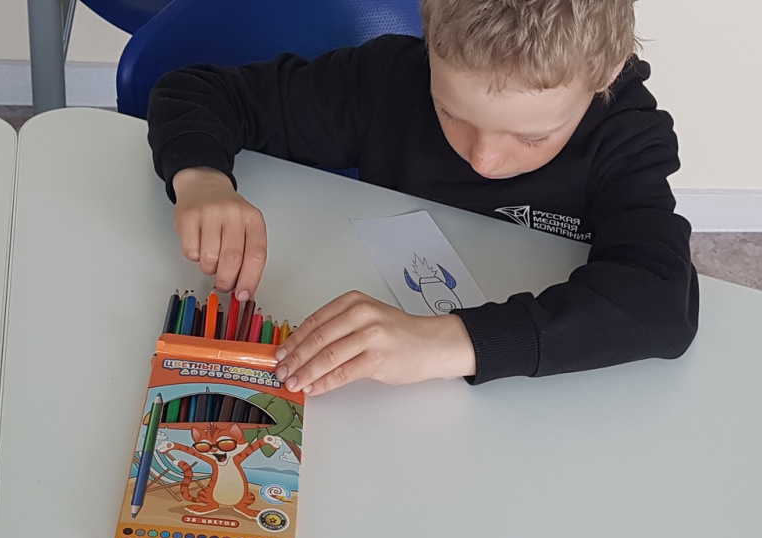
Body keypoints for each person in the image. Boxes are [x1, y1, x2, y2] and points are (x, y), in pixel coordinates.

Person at [146, 0, 699, 396]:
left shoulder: (627, 137)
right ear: (430, 40)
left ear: (606, 72)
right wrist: (202, 178)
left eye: (532, 137)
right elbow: (196, 93)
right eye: (451, 113)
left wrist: (448, 340)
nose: (484, 159)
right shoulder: (385, 81)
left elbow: (659, 300)